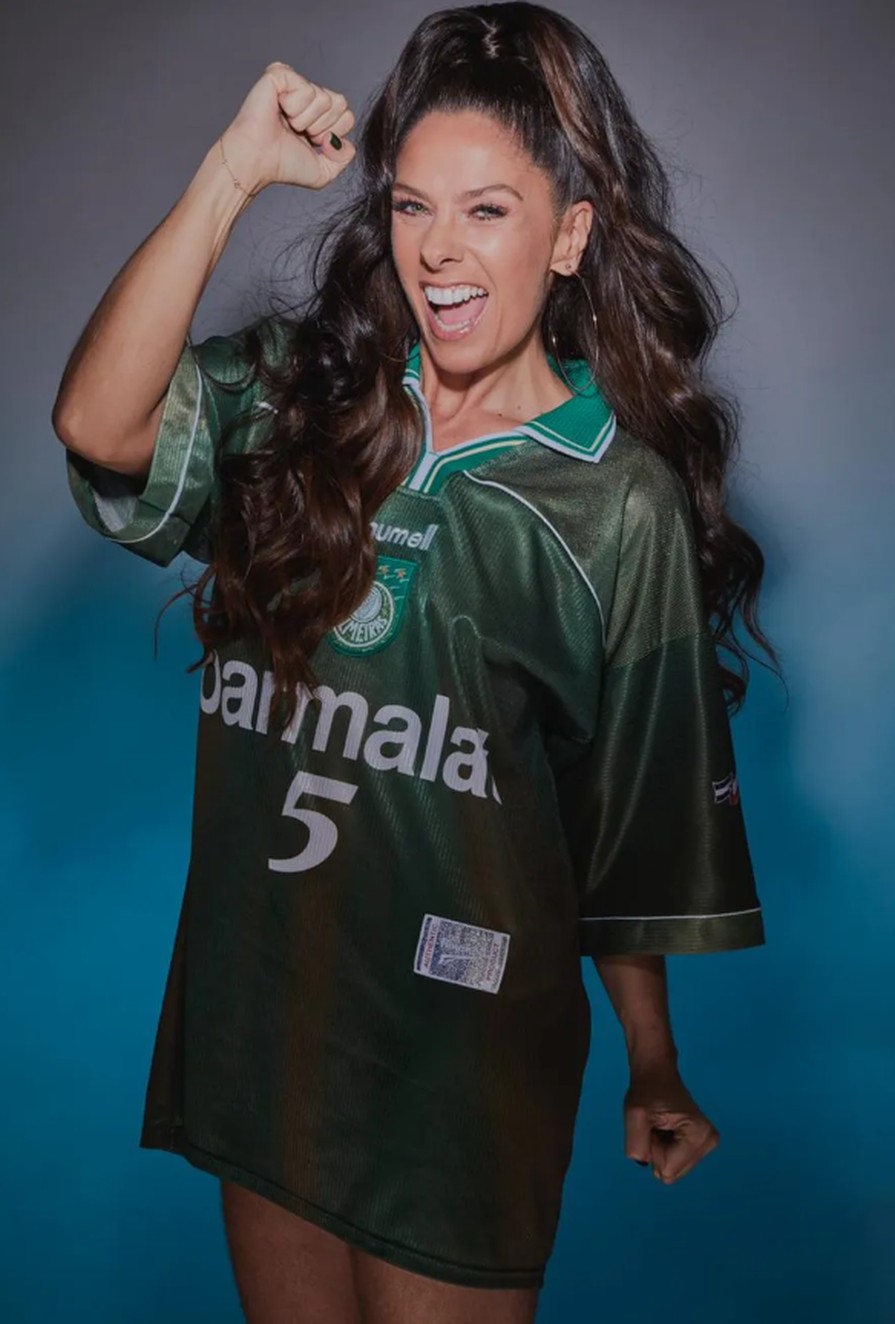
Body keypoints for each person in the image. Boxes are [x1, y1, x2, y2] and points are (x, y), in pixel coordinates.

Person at [52, 4, 779, 1321]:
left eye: (489, 210)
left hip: (461, 1065)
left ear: (570, 235)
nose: (439, 248)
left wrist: (653, 1058)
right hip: (270, 1018)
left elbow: (621, 818)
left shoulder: (618, 507)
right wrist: (229, 169)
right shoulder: (305, 398)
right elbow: (100, 421)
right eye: (410, 205)